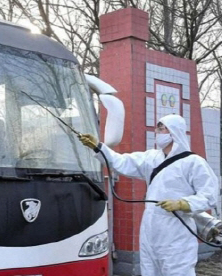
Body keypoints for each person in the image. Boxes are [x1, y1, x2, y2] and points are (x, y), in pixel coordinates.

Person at [78, 114, 219, 276]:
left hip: (176, 232)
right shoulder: (152, 158)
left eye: (161, 128)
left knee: (178, 271)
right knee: (149, 271)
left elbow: (209, 195)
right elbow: (121, 162)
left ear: (173, 131)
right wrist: (98, 147)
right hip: (150, 231)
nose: (157, 132)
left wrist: (183, 203)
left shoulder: (193, 162)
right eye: (157, 128)